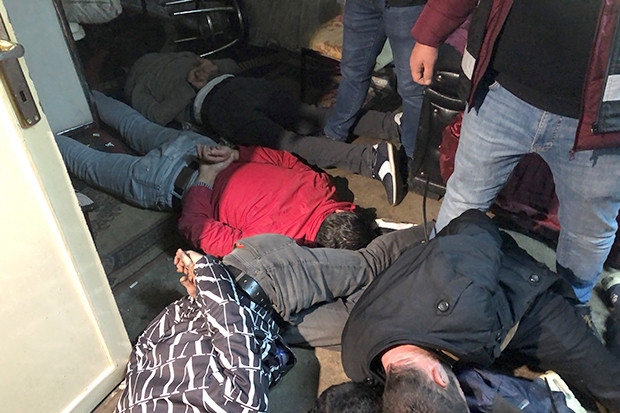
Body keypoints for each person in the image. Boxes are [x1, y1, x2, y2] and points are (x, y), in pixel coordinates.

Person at [408, 0, 620, 314]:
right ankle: (435, 292)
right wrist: (430, 34)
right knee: (464, 199)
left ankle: (569, 313)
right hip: (501, 91)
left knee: (587, 235)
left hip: (602, 121)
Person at [115, 224, 422, 412]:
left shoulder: (136, 403)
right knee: (367, 327)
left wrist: (207, 280)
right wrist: (200, 299)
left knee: (367, 266)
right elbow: (146, 345)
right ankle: (426, 286)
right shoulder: (130, 402)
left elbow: (244, 395)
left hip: (262, 276)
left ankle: (441, 228)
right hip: (270, 326)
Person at [55, 91, 386, 257]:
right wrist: (207, 177)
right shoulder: (273, 245)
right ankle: (31, 136)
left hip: (199, 147)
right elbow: (195, 227)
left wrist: (231, 154)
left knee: (132, 123)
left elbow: (281, 158)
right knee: (87, 163)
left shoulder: (321, 185)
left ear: (344, 211)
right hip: (166, 181)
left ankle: (66, 85)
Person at [125, 52, 406, 205]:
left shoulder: (137, 85)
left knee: (290, 143)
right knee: (314, 115)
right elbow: (232, 63)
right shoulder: (177, 55)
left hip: (219, 106)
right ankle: (391, 124)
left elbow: (157, 116)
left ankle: (371, 160)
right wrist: (211, 67)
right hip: (245, 86)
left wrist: (191, 84)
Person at [114, 248, 295, 413]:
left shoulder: (130, 404)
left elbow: (141, 352)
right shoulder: (238, 404)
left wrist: (196, 300)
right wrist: (207, 273)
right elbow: (244, 395)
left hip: (228, 302)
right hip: (257, 297)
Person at [322, 0, 427, 166]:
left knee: (412, 88)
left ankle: (412, 158)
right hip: (361, 4)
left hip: (408, 6)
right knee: (352, 72)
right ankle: (334, 135)